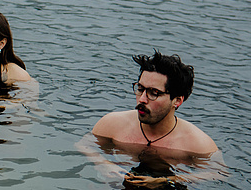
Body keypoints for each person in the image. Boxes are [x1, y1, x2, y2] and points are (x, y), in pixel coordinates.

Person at [87, 51, 217, 156]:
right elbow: (85, 146)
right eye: (140, 89)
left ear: (177, 100)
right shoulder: (112, 124)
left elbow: (216, 175)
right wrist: (105, 167)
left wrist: (167, 181)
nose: (142, 99)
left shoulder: (199, 145)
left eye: (154, 93)